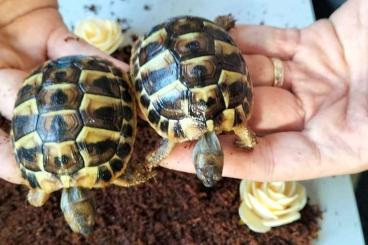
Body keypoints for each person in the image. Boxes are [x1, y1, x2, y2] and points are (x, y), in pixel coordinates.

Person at [0, 0, 367, 184]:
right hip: (180, 48)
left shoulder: (229, 123)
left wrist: (150, 160)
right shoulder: (237, 119)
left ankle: (217, 29)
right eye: (211, 167)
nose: (208, 168)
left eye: (209, 166)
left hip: (181, 50)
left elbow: (170, 144)